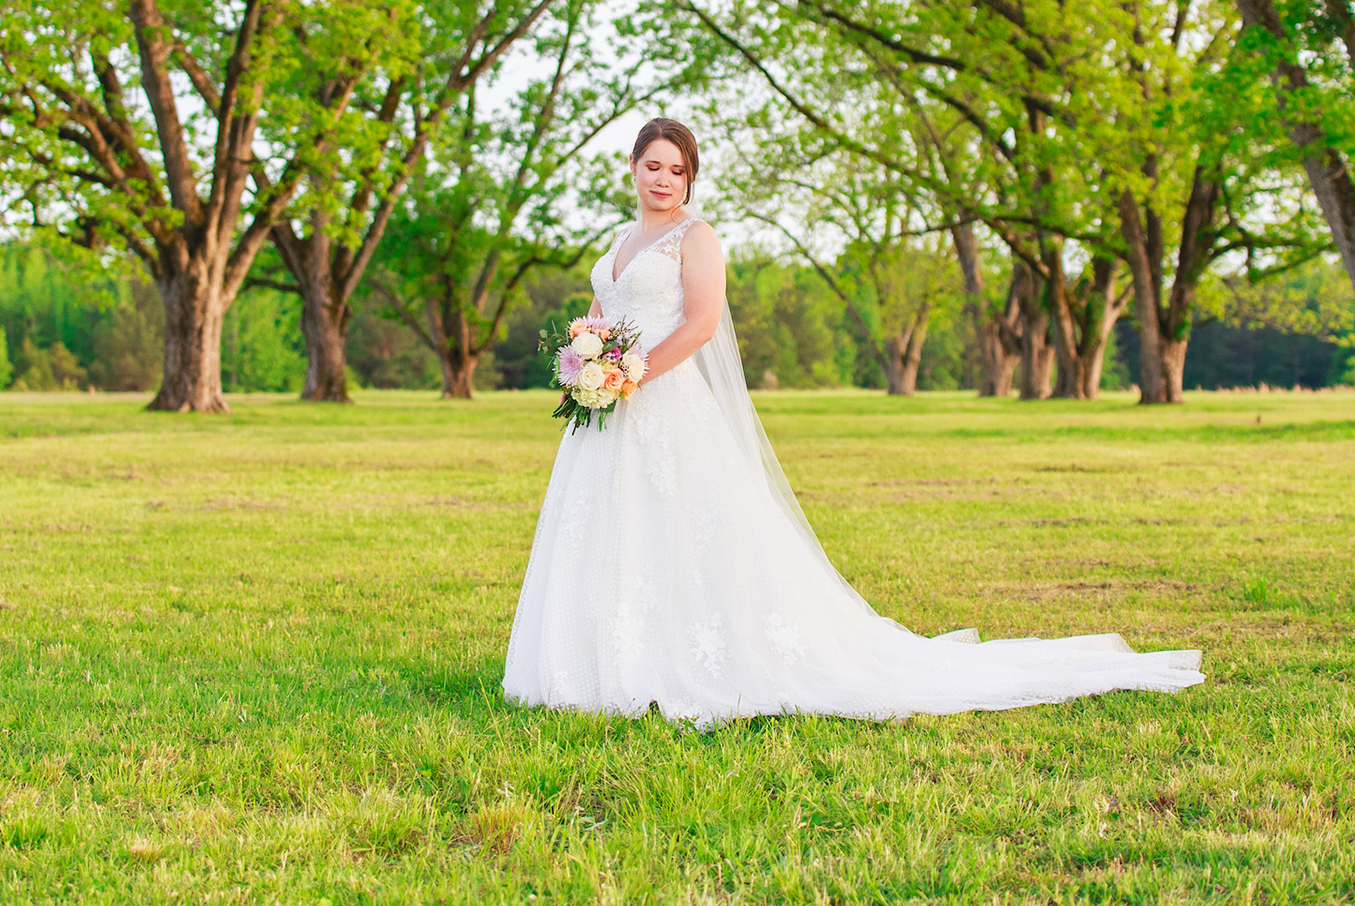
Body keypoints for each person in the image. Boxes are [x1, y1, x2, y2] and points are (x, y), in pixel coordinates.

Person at [502, 118, 1203, 724]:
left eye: (678, 170)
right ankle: (601, 659)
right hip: (608, 408)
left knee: (681, 527)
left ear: (690, 179)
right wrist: (588, 354)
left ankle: (687, 660)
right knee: (611, 526)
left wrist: (631, 373)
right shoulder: (621, 239)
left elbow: (702, 323)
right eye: (654, 166)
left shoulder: (696, 237)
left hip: (662, 400)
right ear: (632, 165)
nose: (664, 180)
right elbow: (605, 314)